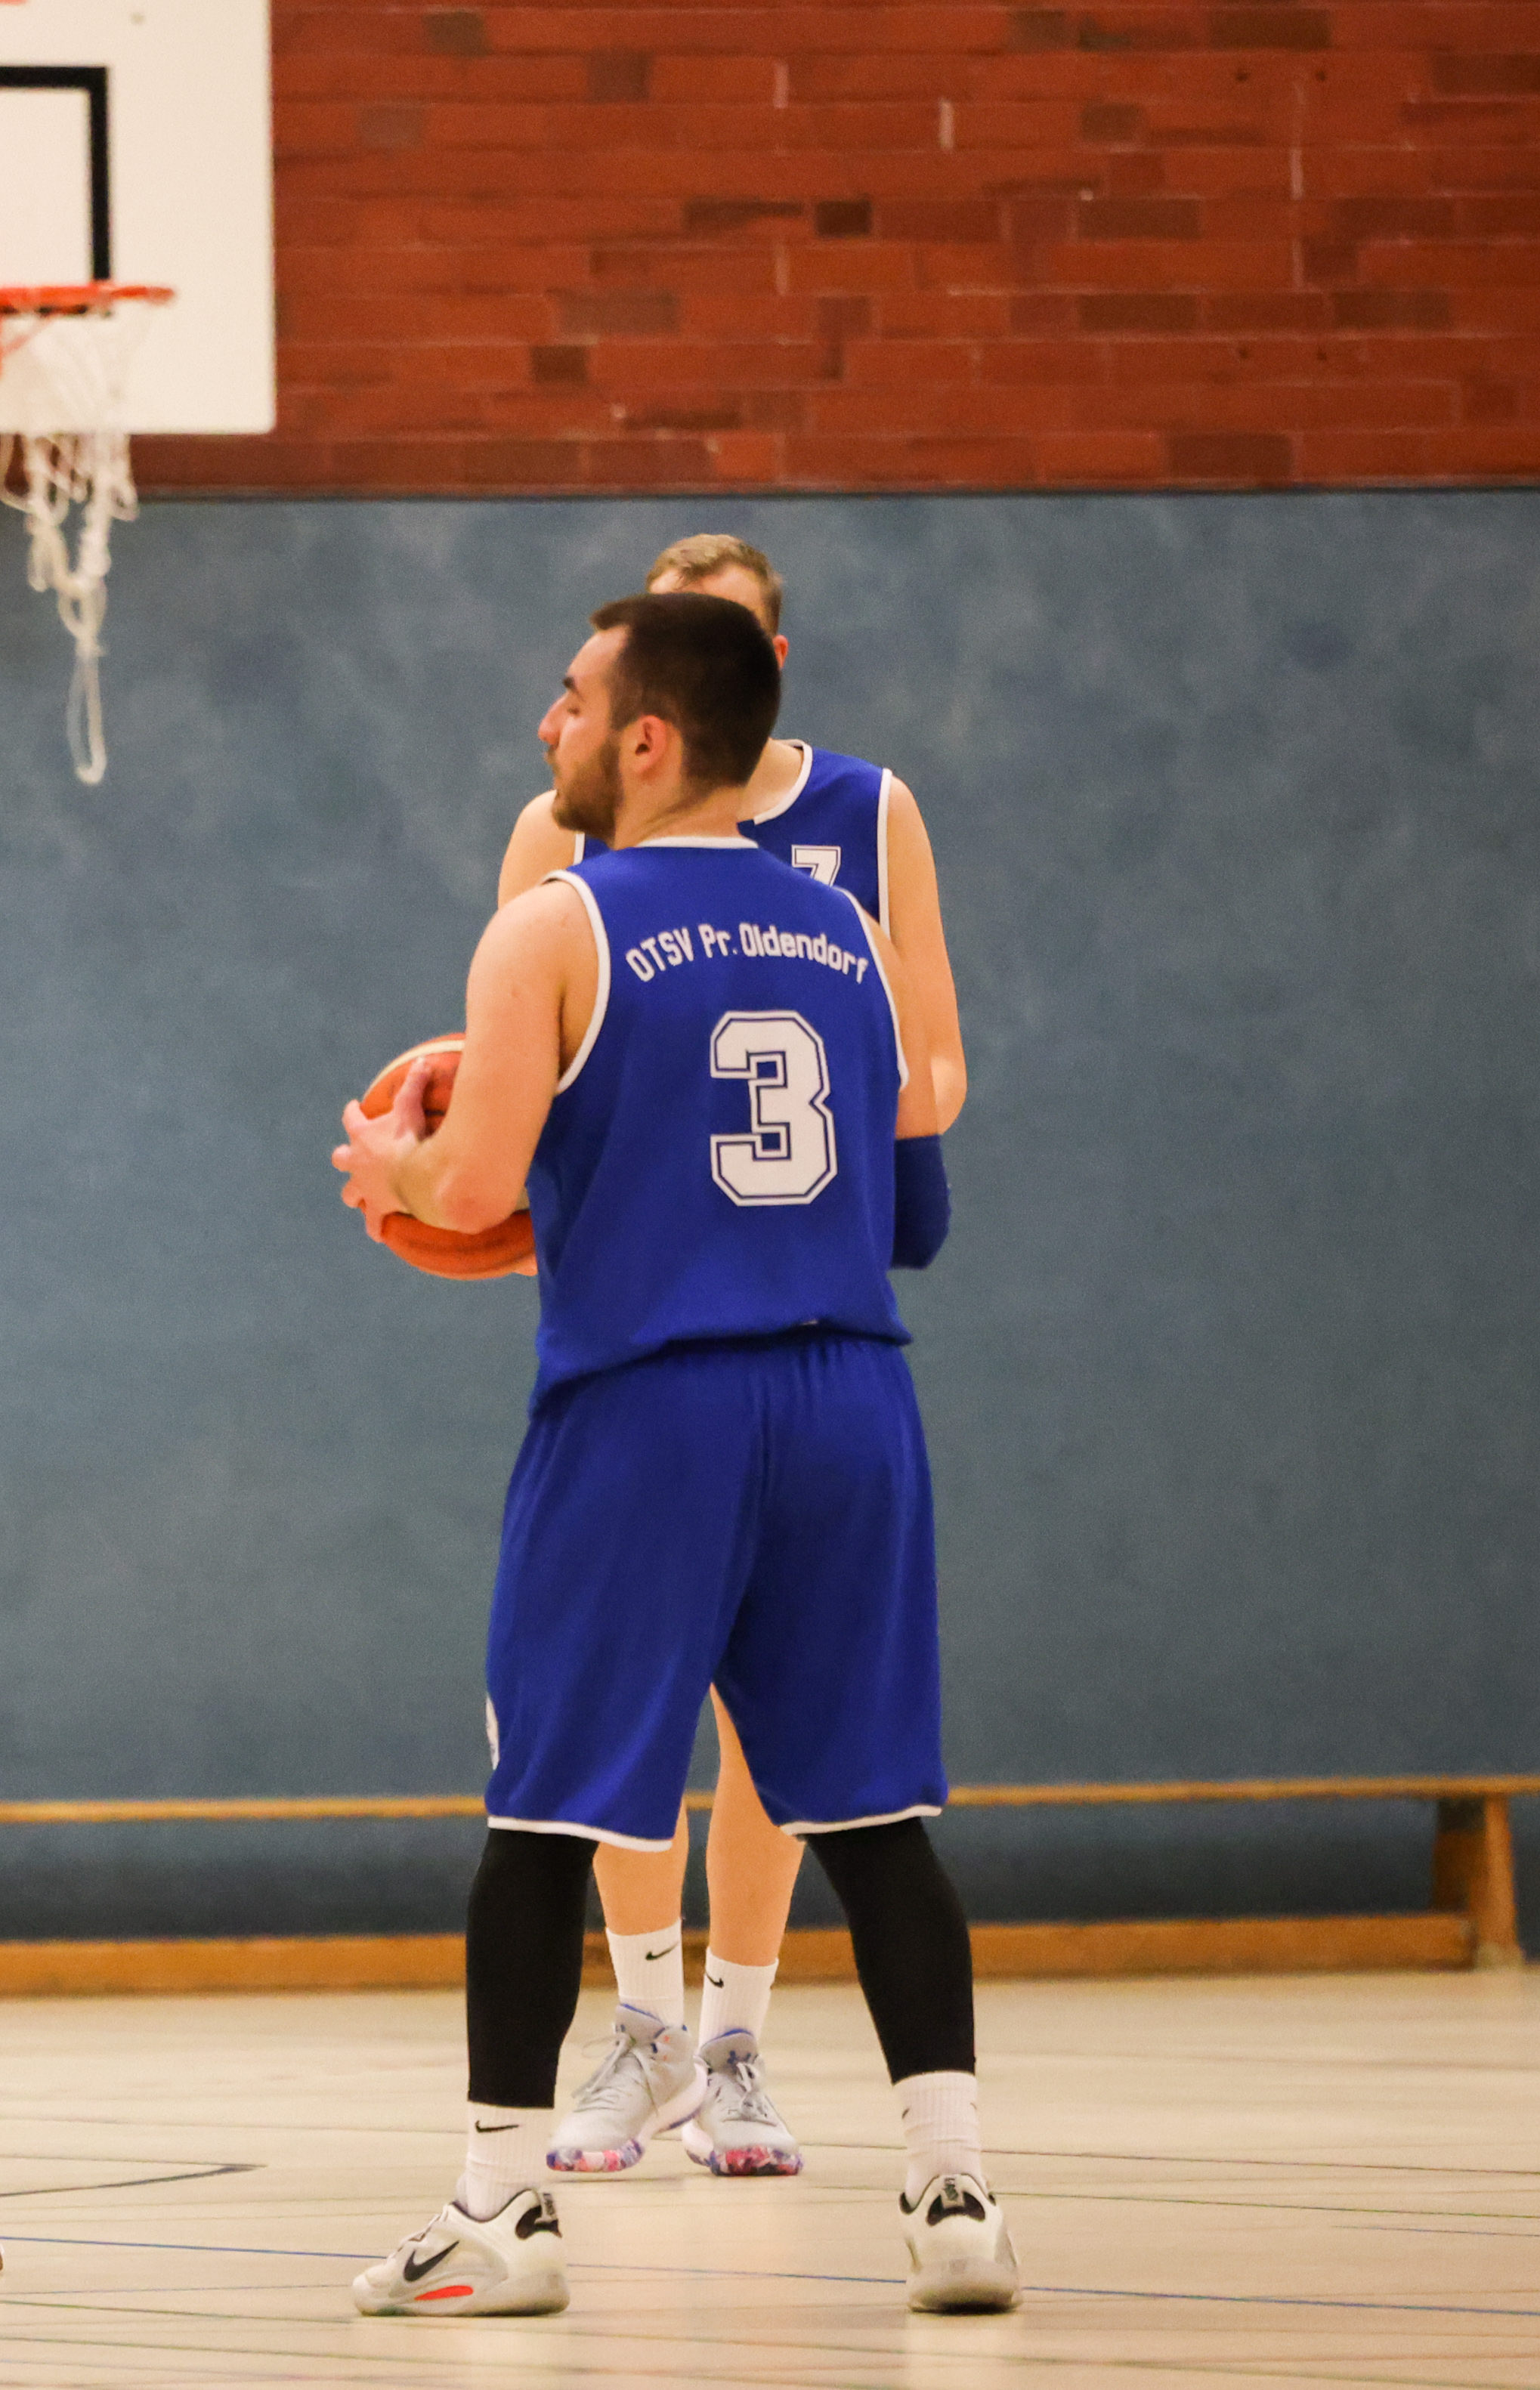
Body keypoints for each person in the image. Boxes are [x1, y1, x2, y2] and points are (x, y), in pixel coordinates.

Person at [333, 593, 1013, 2317]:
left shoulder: (551, 924)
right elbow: (908, 1199)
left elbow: (475, 1188)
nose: (545, 728)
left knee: (544, 1816)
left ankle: (499, 2213)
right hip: (850, 1400)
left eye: (569, 702)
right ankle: (952, 2196)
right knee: (877, 1820)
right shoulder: (841, 930)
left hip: (651, 1404)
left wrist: (389, 1171)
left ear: (644, 739)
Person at [490, 533, 969, 2179]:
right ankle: (650, 2026)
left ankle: (730, 2034)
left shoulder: (862, 822)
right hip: (709, 1323)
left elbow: (931, 1073)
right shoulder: (563, 843)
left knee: (751, 1725)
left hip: (760, 1302)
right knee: (646, 1717)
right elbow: (526, 1077)